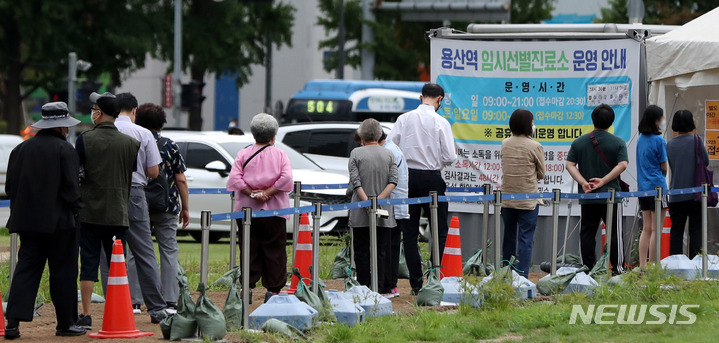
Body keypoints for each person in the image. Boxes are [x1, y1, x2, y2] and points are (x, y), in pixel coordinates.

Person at [4, 102, 87, 339]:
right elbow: (72, 189)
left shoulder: (19, 151)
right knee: (63, 272)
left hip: (27, 222)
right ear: (62, 127)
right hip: (60, 223)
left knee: (26, 269)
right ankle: (65, 324)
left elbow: (10, 187)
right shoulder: (66, 151)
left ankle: (12, 322)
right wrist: (78, 208)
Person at [76, 92, 140, 329]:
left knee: (89, 263)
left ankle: (85, 314)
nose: (92, 112)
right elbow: (129, 173)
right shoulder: (131, 144)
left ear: (99, 113)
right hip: (118, 212)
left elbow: (78, 173)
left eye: (94, 108)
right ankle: (118, 309)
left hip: (90, 212)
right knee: (118, 265)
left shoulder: (84, 140)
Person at [388, 83, 456, 294]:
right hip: (433, 178)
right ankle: (437, 278)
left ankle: (416, 284)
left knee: (409, 232)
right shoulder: (441, 121)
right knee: (439, 230)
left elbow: (390, 148)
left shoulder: (404, 119)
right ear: (440, 100)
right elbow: (450, 157)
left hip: (407, 178)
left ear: (420, 97)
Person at [112, 93, 167, 322]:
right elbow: (154, 172)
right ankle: (156, 308)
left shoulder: (102, 131)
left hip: (106, 194)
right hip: (135, 192)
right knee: (144, 252)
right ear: (134, 110)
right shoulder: (143, 133)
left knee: (109, 252)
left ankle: (112, 305)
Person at [227, 113, 293, 302]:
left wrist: (251, 193)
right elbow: (287, 178)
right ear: (274, 136)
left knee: (249, 248)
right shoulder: (280, 154)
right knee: (275, 249)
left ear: (254, 135)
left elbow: (234, 178)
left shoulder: (243, 153)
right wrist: (269, 193)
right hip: (275, 210)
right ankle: (273, 291)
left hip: (247, 210)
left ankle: (247, 288)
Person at [134, 102, 190, 313]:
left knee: (136, 251)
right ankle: (169, 300)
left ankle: (134, 300)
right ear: (162, 124)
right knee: (168, 251)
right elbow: (181, 179)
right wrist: (185, 207)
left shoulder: (133, 142)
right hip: (167, 205)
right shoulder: (169, 145)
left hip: (139, 203)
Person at [566, 104, 628, 273]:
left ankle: (587, 269)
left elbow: (569, 165)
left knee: (587, 233)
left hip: (588, 195)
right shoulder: (618, 143)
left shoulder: (579, 142)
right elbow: (623, 164)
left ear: (592, 119)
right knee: (615, 233)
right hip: (611, 196)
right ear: (612, 121)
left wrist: (583, 182)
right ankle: (617, 269)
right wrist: (604, 181)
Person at [349, 119, 397, 292]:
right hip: (383, 210)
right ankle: (381, 287)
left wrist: (367, 202)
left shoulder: (356, 153)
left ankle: (363, 287)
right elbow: (393, 181)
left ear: (361, 135)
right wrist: (378, 201)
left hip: (360, 210)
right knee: (381, 250)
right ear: (379, 135)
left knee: (361, 250)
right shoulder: (389, 154)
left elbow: (355, 181)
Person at [499, 109, 545, 278]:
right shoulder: (535, 146)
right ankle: (522, 277)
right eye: (532, 121)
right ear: (528, 125)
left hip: (507, 198)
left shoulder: (505, 143)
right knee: (525, 240)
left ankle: (506, 274)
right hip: (528, 200)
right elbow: (541, 174)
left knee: (508, 238)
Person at [667, 110, 707, 258]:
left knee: (676, 231)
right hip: (695, 194)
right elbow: (706, 161)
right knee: (695, 230)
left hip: (676, 194)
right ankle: (696, 262)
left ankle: (675, 263)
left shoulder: (669, 144)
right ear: (691, 123)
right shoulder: (697, 141)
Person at [636, 105, 669, 269]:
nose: (662, 121)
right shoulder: (659, 140)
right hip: (658, 187)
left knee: (646, 229)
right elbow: (664, 167)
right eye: (661, 118)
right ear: (655, 121)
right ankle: (654, 265)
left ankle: (643, 266)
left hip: (643, 188)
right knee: (657, 229)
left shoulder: (640, 139)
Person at [379, 131, 408, 298]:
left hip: (391, 206)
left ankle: (388, 285)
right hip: (397, 205)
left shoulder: (388, 152)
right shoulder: (392, 148)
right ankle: (391, 285)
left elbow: (389, 180)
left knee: (388, 246)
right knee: (393, 245)